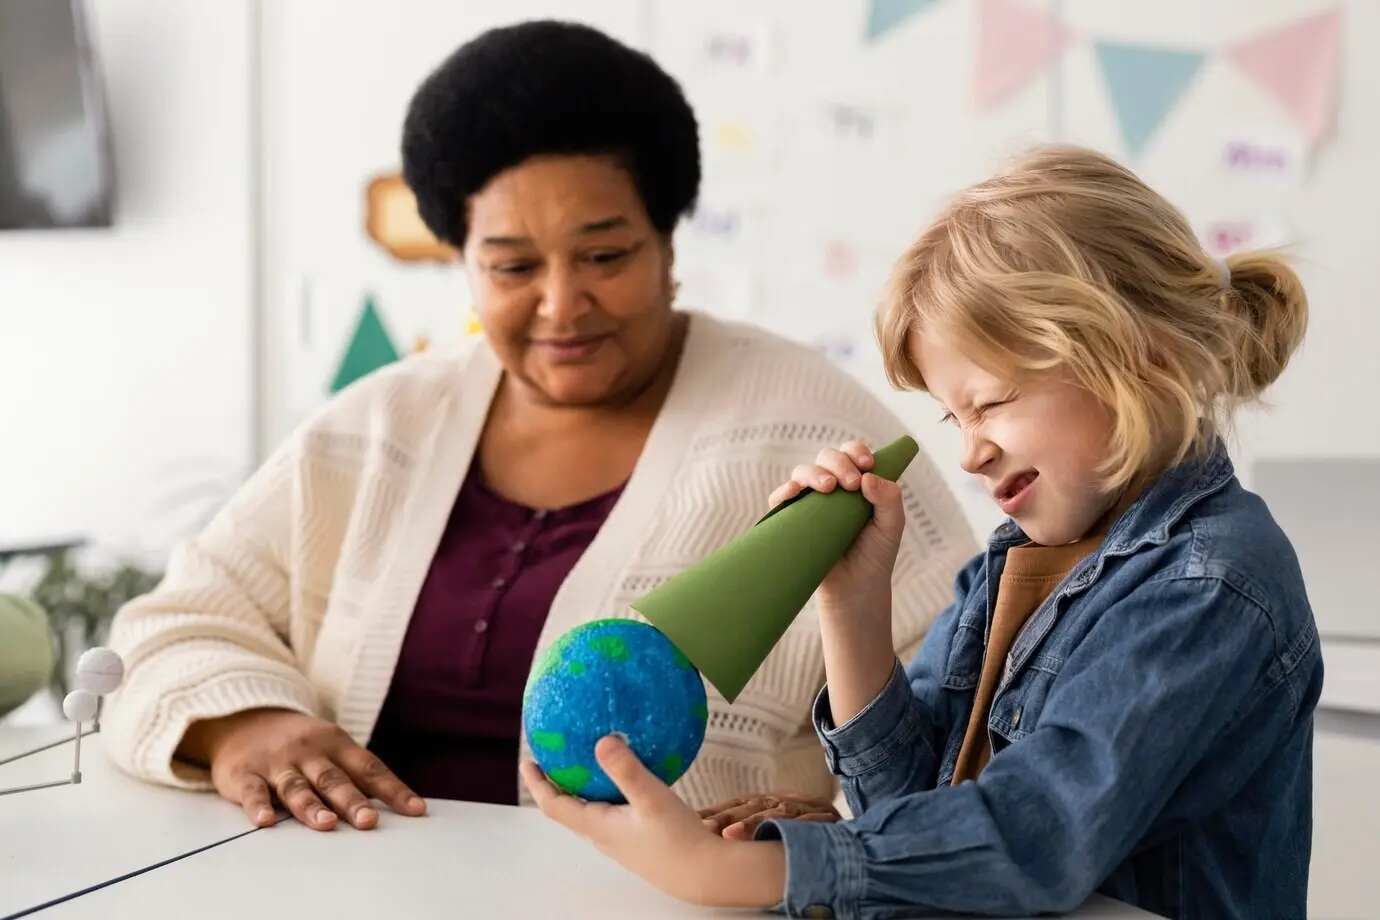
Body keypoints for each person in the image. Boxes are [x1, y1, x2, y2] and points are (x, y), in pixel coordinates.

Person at [100, 20, 977, 834]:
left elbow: (964, 711)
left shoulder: (815, 432)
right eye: (513, 265)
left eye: (605, 255)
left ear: (669, 246)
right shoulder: (375, 428)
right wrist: (249, 724)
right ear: (465, 265)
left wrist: (833, 822)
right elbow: (174, 625)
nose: (562, 303)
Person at [521, 144, 1322, 920]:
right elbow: (911, 805)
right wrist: (852, 604)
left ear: (1140, 358)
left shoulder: (1211, 588)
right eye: (952, 416)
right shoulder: (1011, 565)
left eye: (993, 402)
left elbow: (1039, 836)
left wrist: (737, 871)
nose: (969, 450)